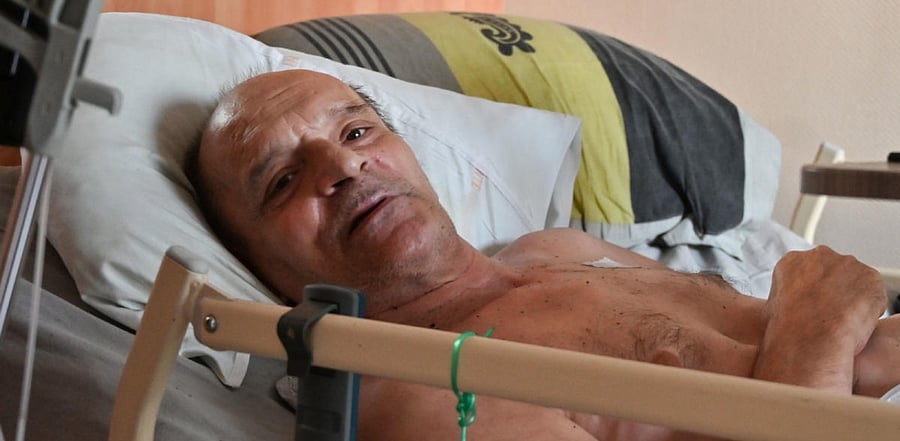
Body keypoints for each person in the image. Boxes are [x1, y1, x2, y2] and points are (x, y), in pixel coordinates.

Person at [191, 69, 900, 441]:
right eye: (283, 182)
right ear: (260, 264)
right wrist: (816, 338)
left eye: (355, 131)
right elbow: (809, 332)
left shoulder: (561, 248)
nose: (341, 168)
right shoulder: (417, 390)